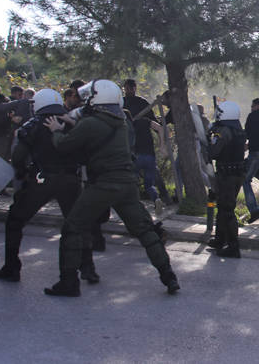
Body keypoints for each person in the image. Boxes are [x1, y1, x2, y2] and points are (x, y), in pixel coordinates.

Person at [42, 79, 179, 296]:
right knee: (145, 231)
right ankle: (169, 276)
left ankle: (68, 282)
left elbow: (64, 146)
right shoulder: (122, 122)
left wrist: (58, 130)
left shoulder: (90, 123)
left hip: (103, 183)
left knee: (72, 227)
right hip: (127, 184)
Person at [0, 89, 99, 284]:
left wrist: (21, 172)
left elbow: (18, 156)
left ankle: (11, 267)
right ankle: (88, 268)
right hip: (71, 181)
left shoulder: (33, 124)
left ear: (39, 104)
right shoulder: (72, 123)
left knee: (15, 220)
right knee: (78, 224)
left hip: (41, 179)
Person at [206, 101, 247, 258]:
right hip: (237, 173)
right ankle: (220, 239)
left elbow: (214, 152)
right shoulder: (238, 130)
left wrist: (209, 139)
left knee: (226, 209)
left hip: (227, 174)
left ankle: (233, 246)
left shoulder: (223, 130)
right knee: (223, 206)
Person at [122, 79, 163, 216]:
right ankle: (156, 199)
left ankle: (135, 207)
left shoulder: (141, 104)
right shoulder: (144, 121)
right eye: (126, 88)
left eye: (130, 88)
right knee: (149, 184)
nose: (128, 91)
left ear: (134, 88)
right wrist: (163, 143)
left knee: (131, 182)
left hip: (135, 155)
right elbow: (158, 127)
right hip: (149, 155)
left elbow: (156, 125)